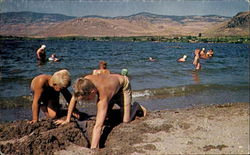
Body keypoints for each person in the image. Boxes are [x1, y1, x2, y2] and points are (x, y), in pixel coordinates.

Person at [55, 74, 147, 149]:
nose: (86, 101)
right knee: (106, 115)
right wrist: (68, 119)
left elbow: (98, 126)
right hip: (111, 86)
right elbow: (73, 99)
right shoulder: (83, 83)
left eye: (87, 99)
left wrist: (93, 148)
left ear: (92, 92)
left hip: (123, 86)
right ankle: (120, 105)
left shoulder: (103, 97)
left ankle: (136, 107)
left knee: (126, 121)